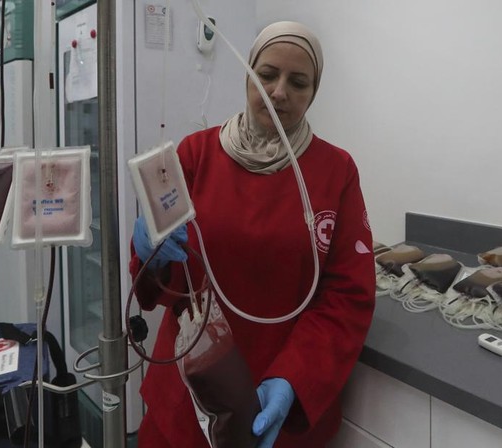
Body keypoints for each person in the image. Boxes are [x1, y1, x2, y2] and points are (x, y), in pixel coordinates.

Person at [130, 21, 376, 447]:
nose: (279, 92)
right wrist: (151, 251)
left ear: (313, 93)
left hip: (276, 407)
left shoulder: (335, 172)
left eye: (298, 82)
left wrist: (293, 378)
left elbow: (347, 296)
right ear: (248, 76)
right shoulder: (195, 154)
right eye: (267, 75)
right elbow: (162, 285)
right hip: (188, 396)